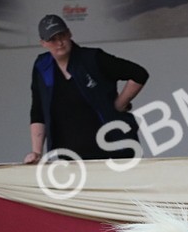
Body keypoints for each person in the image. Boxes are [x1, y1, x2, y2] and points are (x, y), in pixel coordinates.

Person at [23, 14, 148, 163]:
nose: (59, 43)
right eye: (52, 39)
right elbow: (38, 111)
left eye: (62, 35)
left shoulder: (93, 58)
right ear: (43, 43)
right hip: (70, 157)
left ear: (69, 33)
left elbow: (139, 74)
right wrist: (36, 152)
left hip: (114, 151)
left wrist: (119, 104)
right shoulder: (42, 67)